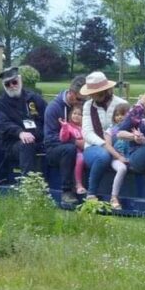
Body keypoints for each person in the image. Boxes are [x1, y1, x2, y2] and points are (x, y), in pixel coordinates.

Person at [0, 66, 47, 177]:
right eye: (7, 84)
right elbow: (3, 124)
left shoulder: (33, 98)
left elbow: (48, 115)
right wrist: (20, 132)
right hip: (13, 144)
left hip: (40, 139)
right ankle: (28, 184)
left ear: (20, 80)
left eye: (14, 82)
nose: (12, 86)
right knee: (26, 144)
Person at [80, 72, 127, 202]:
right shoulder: (88, 106)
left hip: (118, 145)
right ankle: (91, 194)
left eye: (98, 92)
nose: (94, 95)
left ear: (106, 90)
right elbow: (87, 133)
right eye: (92, 92)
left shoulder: (122, 104)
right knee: (103, 156)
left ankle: (116, 197)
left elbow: (127, 128)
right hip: (94, 147)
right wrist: (104, 144)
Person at [44, 75, 86, 205]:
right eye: (79, 99)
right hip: (54, 149)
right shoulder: (54, 108)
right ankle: (67, 191)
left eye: (83, 100)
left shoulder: (83, 105)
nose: (81, 103)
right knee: (69, 149)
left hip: (82, 144)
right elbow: (50, 137)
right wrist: (75, 142)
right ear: (71, 93)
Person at [59, 105, 87, 196]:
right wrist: (64, 128)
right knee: (81, 158)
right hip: (75, 152)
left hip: (86, 150)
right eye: (74, 113)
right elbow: (63, 138)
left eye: (80, 114)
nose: (76, 116)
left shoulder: (85, 128)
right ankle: (78, 184)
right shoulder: (68, 126)